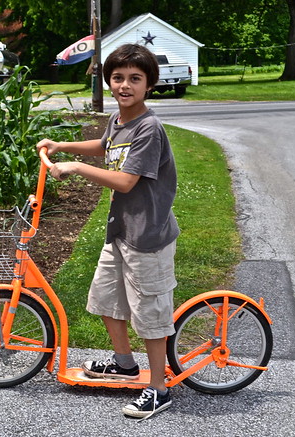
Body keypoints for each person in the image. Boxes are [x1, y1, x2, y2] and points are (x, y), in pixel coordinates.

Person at [36, 44, 179, 419]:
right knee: (106, 300)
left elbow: (126, 181)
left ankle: (158, 388)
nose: (125, 85)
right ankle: (126, 365)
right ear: (109, 82)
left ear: (149, 85)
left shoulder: (149, 128)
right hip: (121, 231)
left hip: (147, 236)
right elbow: (104, 146)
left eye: (135, 79)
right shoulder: (119, 121)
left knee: (149, 313)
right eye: (118, 78)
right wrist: (62, 144)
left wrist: (77, 168)